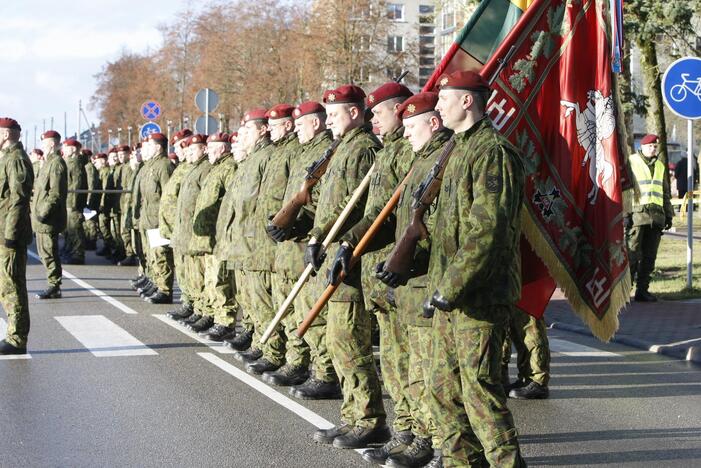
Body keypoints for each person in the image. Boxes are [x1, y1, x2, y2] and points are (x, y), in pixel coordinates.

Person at [422, 70, 526, 467]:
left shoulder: (492, 152)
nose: (438, 106)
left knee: (480, 393)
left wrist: (450, 287)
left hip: (479, 297)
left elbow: (488, 232)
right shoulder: (458, 149)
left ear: (468, 101)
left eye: (445, 98)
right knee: (443, 391)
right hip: (450, 297)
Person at [325, 81, 416, 462]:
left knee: (404, 362)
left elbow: (389, 215)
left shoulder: (384, 150)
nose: (373, 117)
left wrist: (348, 241)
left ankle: (407, 430)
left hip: (390, 270)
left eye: (377, 111)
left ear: (399, 109)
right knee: (392, 361)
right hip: (374, 269)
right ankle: (394, 427)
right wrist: (325, 237)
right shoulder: (388, 149)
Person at [304, 84, 389, 449]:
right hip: (334, 253)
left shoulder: (364, 148)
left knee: (351, 343)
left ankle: (369, 418)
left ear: (354, 113)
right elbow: (330, 205)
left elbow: (362, 210)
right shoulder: (342, 148)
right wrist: (316, 236)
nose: (329, 121)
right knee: (338, 342)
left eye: (335, 114)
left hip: (352, 263)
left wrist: (341, 243)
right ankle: (352, 414)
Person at [374, 91, 453, 467]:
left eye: (410, 126)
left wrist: (407, 263)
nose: (405, 134)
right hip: (405, 285)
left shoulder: (442, 159)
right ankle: (409, 431)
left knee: (427, 372)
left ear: (433, 123)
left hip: (424, 282)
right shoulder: (421, 160)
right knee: (402, 368)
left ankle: (434, 442)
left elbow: (436, 230)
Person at [263, 101, 339, 398]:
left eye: (301, 122)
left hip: (308, 244)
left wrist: (301, 225)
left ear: (316, 123)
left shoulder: (326, 150)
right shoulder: (303, 151)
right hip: (293, 244)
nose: (295, 128)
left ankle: (323, 371)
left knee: (311, 312)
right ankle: (301, 362)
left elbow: (321, 203)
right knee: (296, 311)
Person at [244, 103, 300, 376]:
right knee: (264, 300)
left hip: (277, 240)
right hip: (262, 239)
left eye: (275, 125)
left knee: (279, 303)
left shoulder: (290, 152)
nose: (271, 131)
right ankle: (271, 348)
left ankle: (281, 353)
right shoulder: (276, 152)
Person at [216, 108, 274, 361]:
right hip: (241, 241)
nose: (241, 137)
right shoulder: (250, 160)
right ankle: (258, 339)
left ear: (262, 130)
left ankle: (270, 348)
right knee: (249, 298)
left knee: (261, 300)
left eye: (247, 130)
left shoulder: (266, 157)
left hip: (256, 243)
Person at [182, 132, 239, 341]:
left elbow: (231, 201)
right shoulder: (215, 169)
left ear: (223, 148)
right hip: (209, 235)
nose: (208, 151)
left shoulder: (229, 167)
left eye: (212, 147)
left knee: (220, 279)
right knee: (211, 279)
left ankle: (225, 321)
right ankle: (214, 315)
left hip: (219, 234)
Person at [171, 134, 213, 332]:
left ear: (203, 149)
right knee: (190, 273)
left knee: (201, 274)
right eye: (186, 150)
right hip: (184, 230)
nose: (188, 153)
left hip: (197, 232)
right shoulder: (192, 168)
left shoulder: (204, 169)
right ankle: (195, 306)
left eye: (192, 149)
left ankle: (204, 310)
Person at [625, 134, 674, 302]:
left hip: (656, 217)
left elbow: (665, 192)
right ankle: (625, 292)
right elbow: (625, 190)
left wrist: (669, 215)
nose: (653, 148)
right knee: (631, 255)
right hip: (637, 217)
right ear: (643, 146)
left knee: (650, 257)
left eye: (655, 146)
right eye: (651, 146)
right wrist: (625, 214)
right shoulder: (631, 162)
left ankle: (642, 291)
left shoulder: (660, 166)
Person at [0, 117, 34, 354]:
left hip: (8, 234)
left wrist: (10, 234)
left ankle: (16, 338)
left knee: (12, 284)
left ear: (5, 134)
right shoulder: (6, 158)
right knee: (5, 284)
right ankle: (14, 334)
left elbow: (19, 200)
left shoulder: (16, 159)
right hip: (2, 230)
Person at [159, 129, 194, 315]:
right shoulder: (181, 166)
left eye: (182, 146)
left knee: (189, 269)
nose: (180, 150)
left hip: (184, 227)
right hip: (173, 226)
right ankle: (187, 302)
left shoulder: (190, 167)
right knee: (181, 268)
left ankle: (191, 304)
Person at [138, 132, 175, 304]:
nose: (146, 149)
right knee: (152, 255)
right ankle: (156, 282)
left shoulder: (164, 165)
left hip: (159, 219)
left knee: (161, 255)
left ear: (158, 147)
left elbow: (167, 195)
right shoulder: (150, 165)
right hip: (148, 218)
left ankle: (165, 289)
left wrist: (166, 220)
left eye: (150, 145)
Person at [33, 130, 68, 299]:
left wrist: (42, 213)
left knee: (49, 252)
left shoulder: (56, 164)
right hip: (42, 218)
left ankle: (54, 285)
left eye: (44, 143)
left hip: (48, 219)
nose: (42, 147)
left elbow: (55, 193)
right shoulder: (47, 163)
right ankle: (53, 283)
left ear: (52, 144)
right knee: (44, 253)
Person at [61, 138, 88, 265]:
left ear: (72, 149)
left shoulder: (75, 162)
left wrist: (73, 204)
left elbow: (76, 184)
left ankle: (78, 253)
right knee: (69, 229)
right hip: (68, 201)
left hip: (73, 202)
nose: (63, 150)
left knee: (75, 228)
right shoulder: (69, 162)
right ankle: (71, 250)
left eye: (65, 148)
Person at [116, 145, 138, 266]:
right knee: (124, 231)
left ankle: (130, 254)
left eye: (122, 154)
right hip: (123, 203)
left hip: (129, 204)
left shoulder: (130, 168)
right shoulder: (123, 167)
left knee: (127, 231)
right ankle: (127, 252)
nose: (119, 157)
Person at [82, 148, 101, 251]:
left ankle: (92, 241)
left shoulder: (89, 167)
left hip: (91, 198)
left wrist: (88, 198)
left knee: (90, 221)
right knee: (87, 221)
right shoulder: (86, 166)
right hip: (89, 197)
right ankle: (88, 240)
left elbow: (91, 183)